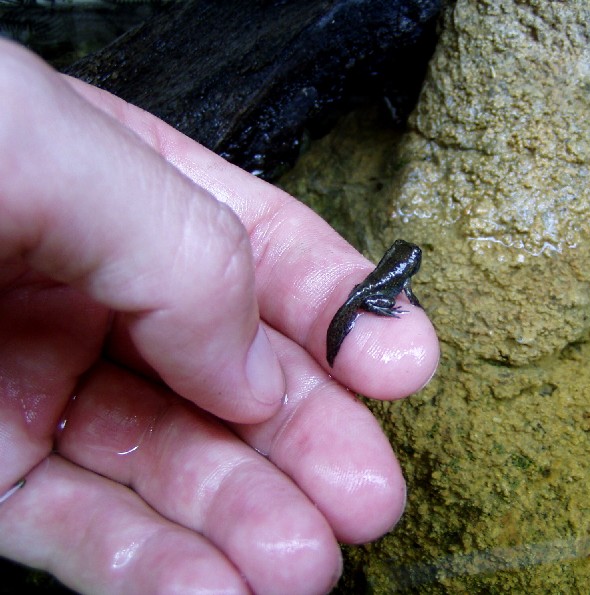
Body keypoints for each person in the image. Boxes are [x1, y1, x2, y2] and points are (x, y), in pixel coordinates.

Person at [0, 38, 439, 594]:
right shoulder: (384, 282)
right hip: (363, 297)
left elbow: (399, 293)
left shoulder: (390, 281)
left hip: (366, 295)